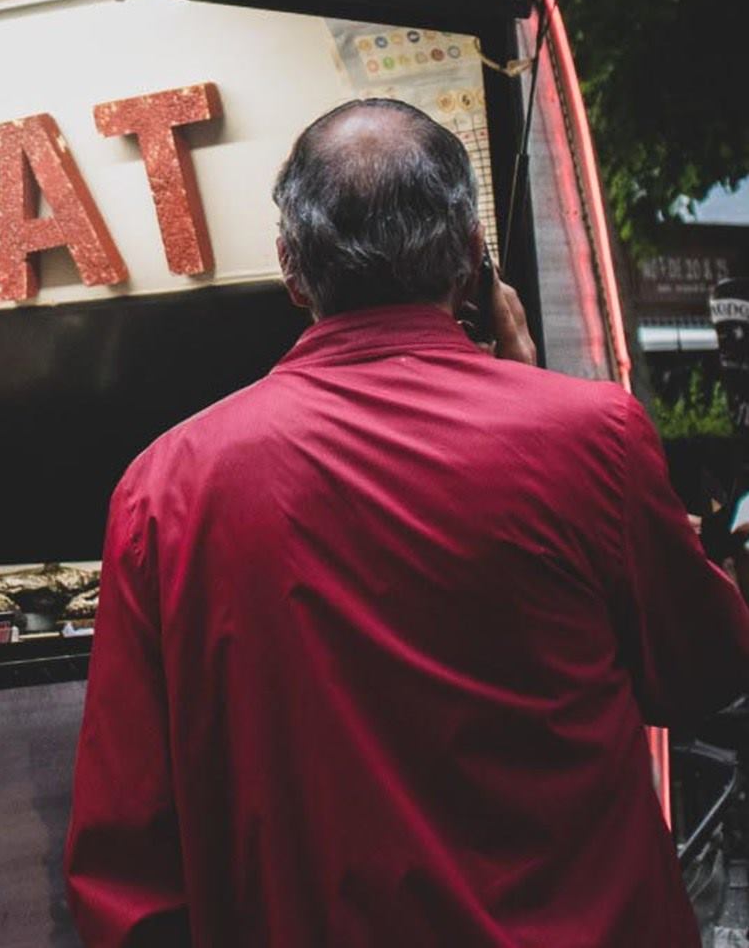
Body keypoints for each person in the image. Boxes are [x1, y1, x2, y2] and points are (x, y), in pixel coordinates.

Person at [65, 98, 749, 948]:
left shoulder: (164, 488)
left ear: (291, 268)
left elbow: (126, 855)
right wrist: (530, 391)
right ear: (470, 258)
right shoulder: (590, 437)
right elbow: (703, 670)